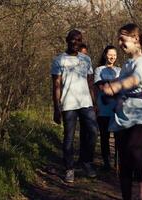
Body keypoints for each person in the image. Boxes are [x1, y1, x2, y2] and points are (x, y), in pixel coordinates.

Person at [102, 23, 142, 200]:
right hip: (122, 115)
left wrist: (116, 86)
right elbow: (119, 82)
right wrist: (109, 91)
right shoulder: (126, 63)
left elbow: (135, 80)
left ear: (135, 39)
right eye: (118, 38)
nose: (119, 42)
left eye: (122, 38)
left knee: (135, 150)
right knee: (124, 162)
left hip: (140, 114)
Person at [51, 29, 97, 183]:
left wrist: (94, 102)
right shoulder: (59, 60)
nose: (75, 43)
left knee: (92, 132)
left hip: (86, 103)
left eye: (78, 40)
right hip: (69, 104)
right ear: (67, 40)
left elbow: (90, 82)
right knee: (69, 137)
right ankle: (69, 168)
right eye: (72, 39)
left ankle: (86, 161)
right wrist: (56, 108)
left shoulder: (86, 59)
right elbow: (56, 86)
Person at [94, 45, 121, 171]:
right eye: (110, 54)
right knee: (104, 136)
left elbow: (121, 87)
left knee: (118, 137)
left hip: (116, 108)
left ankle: (117, 162)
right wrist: (112, 87)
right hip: (103, 107)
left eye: (114, 55)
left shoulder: (120, 70)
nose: (112, 57)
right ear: (105, 55)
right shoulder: (99, 70)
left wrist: (109, 85)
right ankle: (106, 162)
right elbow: (100, 87)